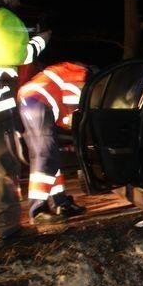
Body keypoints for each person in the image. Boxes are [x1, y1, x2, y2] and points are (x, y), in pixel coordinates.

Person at [0, 0, 52, 242]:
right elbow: (24, 54)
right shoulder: (5, 20)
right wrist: (42, 38)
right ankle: (7, 231)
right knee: (4, 172)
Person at [17, 61, 91, 224]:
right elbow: (73, 116)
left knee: (51, 155)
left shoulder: (67, 72)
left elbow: (65, 118)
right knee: (46, 155)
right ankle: (37, 209)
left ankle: (60, 203)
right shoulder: (79, 73)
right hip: (36, 101)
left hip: (33, 101)